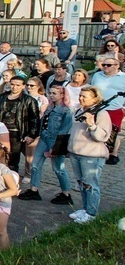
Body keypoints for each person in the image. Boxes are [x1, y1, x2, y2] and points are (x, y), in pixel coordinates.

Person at [19, 85, 73, 203]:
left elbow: (65, 130)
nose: (52, 96)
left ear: (62, 95)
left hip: (56, 140)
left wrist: (56, 147)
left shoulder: (66, 111)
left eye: (55, 93)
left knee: (58, 168)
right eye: (51, 93)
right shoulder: (50, 107)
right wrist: (34, 136)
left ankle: (66, 193)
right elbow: (42, 123)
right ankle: (34, 190)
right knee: (35, 164)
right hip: (44, 137)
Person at [68, 86, 112, 224]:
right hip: (76, 152)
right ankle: (85, 208)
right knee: (81, 183)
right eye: (80, 95)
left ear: (95, 99)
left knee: (90, 184)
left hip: (91, 155)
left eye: (84, 96)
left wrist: (92, 125)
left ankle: (91, 213)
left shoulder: (101, 113)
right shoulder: (79, 110)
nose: (81, 98)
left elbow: (102, 136)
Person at [0, 76, 40, 173]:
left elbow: (34, 119)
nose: (14, 87)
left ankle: (13, 180)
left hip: (17, 132)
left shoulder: (29, 100)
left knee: (13, 158)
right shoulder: (2, 97)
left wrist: (32, 135)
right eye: (12, 84)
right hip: (2, 130)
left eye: (18, 85)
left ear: (23, 86)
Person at [90, 56, 125, 165]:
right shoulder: (97, 75)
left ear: (117, 66)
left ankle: (113, 154)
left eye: (108, 65)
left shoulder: (123, 77)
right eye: (104, 64)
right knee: (97, 130)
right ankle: (98, 151)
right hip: (98, 108)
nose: (105, 67)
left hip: (114, 108)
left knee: (112, 132)